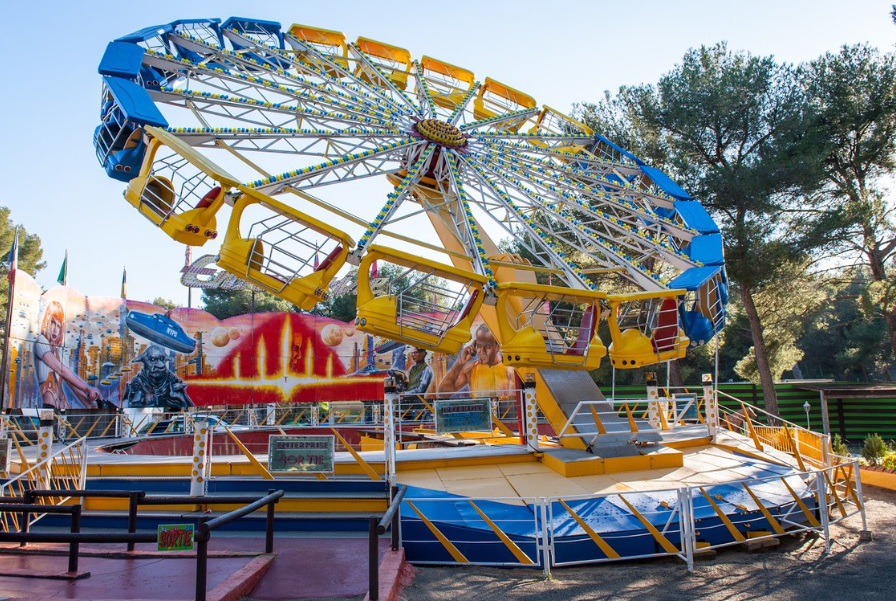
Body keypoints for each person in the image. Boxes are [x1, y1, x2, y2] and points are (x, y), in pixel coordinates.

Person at [34, 301, 101, 410]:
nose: (56, 329)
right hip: (49, 402)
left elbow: (70, 381)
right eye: (52, 322)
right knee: (49, 427)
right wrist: (86, 388)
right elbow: (62, 370)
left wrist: (89, 404)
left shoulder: (58, 352)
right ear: (46, 322)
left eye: (59, 325)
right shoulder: (41, 342)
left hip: (60, 403)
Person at [438, 325, 518, 399]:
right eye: (479, 346)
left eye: (487, 346)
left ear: (497, 347)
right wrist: (460, 363)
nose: (481, 351)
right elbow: (443, 393)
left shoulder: (510, 370)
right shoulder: (470, 369)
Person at [404, 347, 433, 418]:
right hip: (409, 403)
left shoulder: (426, 369)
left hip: (419, 404)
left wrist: (404, 394)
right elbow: (410, 385)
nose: (413, 355)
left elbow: (421, 389)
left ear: (423, 354)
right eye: (412, 353)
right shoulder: (413, 369)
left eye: (415, 353)